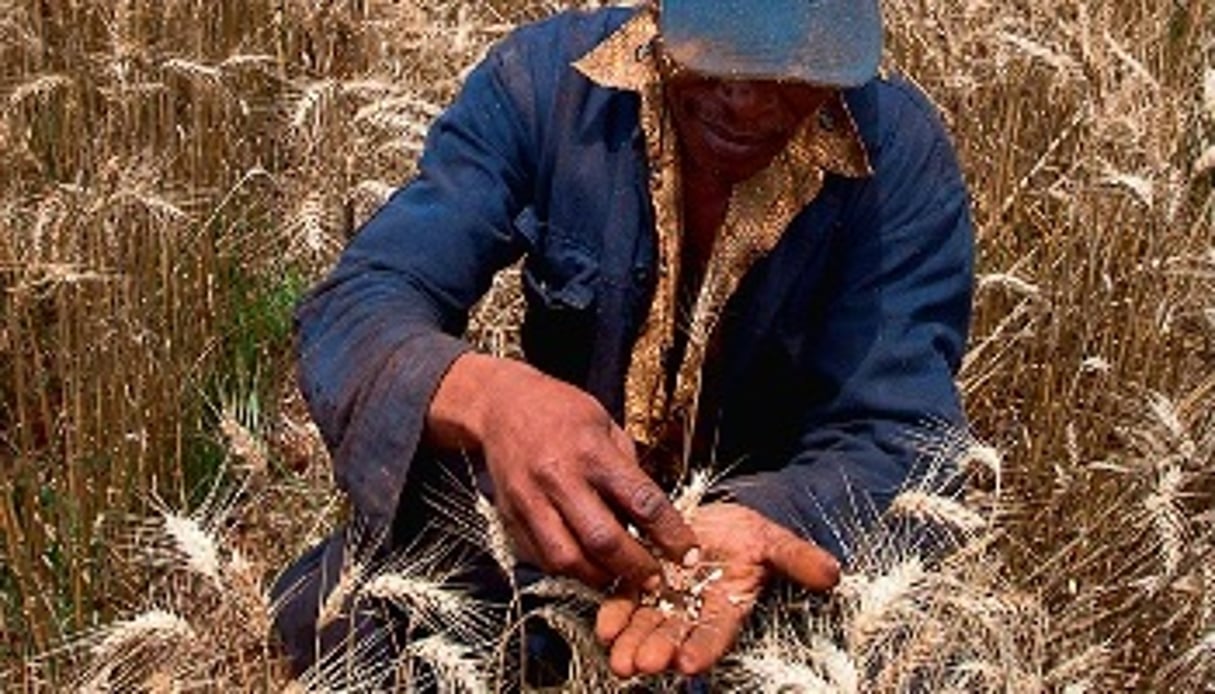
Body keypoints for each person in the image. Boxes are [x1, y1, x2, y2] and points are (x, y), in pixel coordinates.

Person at [272, 0, 974, 683]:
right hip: (550, 538)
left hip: (759, 568)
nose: (748, 103)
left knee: (925, 666)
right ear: (658, 10)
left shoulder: (900, 161)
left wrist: (767, 517)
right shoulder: (543, 86)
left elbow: (902, 436)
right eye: (720, 56)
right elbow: (360, 306)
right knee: (326, 620)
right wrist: (490, 400)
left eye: (793, 74)